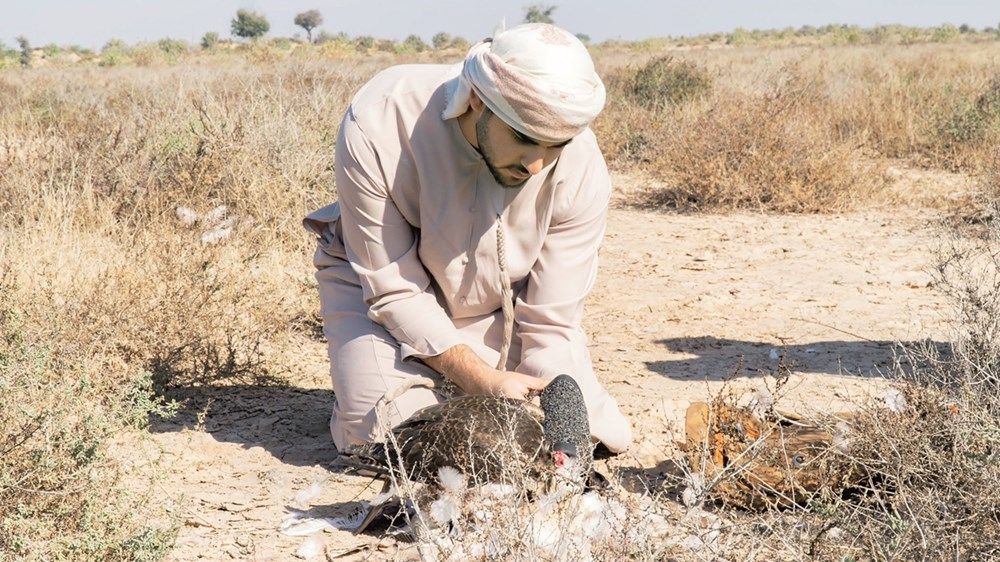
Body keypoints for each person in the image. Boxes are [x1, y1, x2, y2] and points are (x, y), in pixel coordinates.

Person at [303, 22, 632, 454]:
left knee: (600, 439)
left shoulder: (581, 165)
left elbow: (550, 322)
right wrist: (480, 378)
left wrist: (557, 394)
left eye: (556, 146)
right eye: (523, 138)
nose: (537, 164)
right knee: (390, 442)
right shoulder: (381, 119)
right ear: (476, 100)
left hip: (497, 304)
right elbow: (392, 288)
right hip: (376, 299)